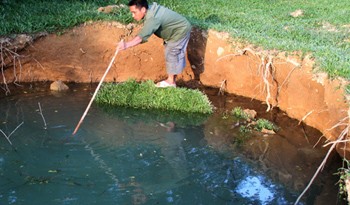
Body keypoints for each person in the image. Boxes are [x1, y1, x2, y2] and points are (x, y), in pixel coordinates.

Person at [117, 0, 192, 88]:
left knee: (172, 52)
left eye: (134, 12)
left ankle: (171, 83)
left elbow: (142, 37)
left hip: (180, 30)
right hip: (176, 30)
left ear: (143, 9)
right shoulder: (151, 10)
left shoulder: (153, 18)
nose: (133, 15)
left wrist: (126, 45)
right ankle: (172, 81)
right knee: (171, 52)